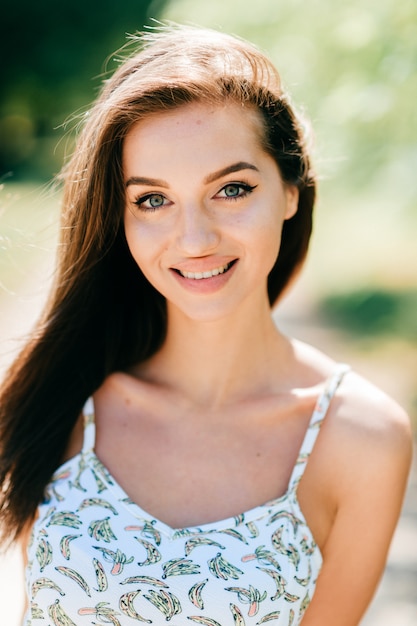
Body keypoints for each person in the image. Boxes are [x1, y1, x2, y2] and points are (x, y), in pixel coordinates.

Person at [0, 24, 412, 626]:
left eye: (231, 189)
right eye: (152, 200)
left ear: (291, 189)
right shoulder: (64, 396)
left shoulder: (361, 437)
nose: (194, 239)